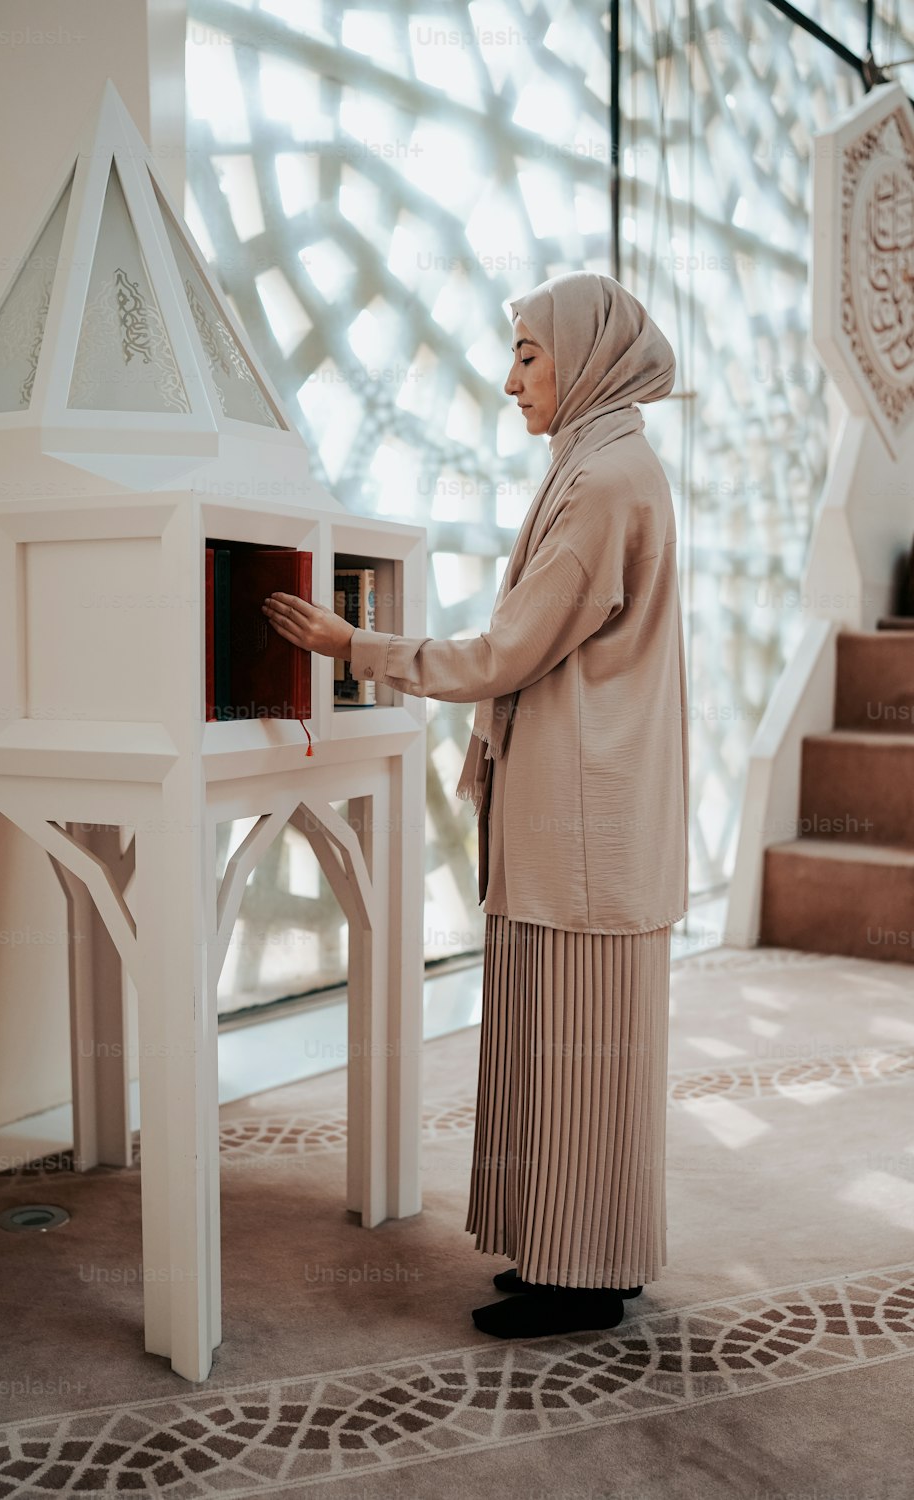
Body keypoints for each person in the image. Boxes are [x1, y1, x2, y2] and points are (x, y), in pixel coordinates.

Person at [262, 270, 689, 1339]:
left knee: (577, 1043)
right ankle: (585, 1255)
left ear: (584, 357)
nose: (511, 382)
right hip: (589, 813)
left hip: (581, 824)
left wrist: (356, 645)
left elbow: (508, 651)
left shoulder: (601, 484)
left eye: (529, 356)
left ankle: (579, 1282)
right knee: (576, 1043)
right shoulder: (605, 464)